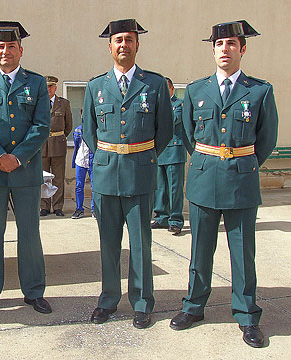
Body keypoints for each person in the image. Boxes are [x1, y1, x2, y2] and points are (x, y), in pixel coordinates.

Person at [169, 21, 278, 348]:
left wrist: (244, 163)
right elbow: (187, 134)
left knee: (243, 253)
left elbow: (267, 138)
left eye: (231, 44)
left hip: (242, 182)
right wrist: (207, 159)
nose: (225, 49)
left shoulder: (259, 90)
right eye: (219, 44)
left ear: (242, 49)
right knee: (200, 249)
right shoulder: (197, 90)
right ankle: (194, 306)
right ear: (213, 49)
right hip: (204, 179)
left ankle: (247, 316)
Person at [83, 19, 173, 328]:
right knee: (108, 244)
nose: (124, 44)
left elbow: (164, 132)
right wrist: (110, 157)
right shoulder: (95, 86)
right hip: (107, 176)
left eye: (129, 40)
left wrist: (141, 157)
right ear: (110, 46)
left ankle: (142, 303)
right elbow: (90, 133)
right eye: (118, 40)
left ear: (137, 45)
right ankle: (108, 301)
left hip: (139, 175)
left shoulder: (155, 84)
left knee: (140, 243)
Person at [0, 21, 52, 315]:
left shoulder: (37, 83)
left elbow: (42, 126)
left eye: (11, 46)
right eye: (1, 47)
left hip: (25, 171)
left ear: (21, 50)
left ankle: (33, 291)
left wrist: (16, 157)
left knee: (29, 232)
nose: (6, 52)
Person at [151, 77, 186, 235]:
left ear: (172, 89)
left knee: (174, 188)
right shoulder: (157, 106)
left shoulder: (179, 104)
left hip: (174, 152)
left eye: (166, 89)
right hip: (160, 152)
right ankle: (161, 217)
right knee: (160, 188)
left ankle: (176, 220)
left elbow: (173, 121)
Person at [40, 75, 73, 217]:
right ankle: (44, 207)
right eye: (46, 86)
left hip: (58, 145)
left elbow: (68, 126)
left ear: (55, 87)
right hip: (42, 145)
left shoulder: (63, 104)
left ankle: (58, 206)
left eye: (51, 86)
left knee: (58, 177)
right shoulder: (38, 103)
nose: (48, 89)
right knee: (43, 178)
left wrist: (60, 136)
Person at [71, 123, 94, 219]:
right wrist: (74, 162)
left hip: (93, 161)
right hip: (81, 160)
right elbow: (76, 147)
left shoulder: (96, 129)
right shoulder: (78, 130)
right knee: (79, 185)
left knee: (95, 186)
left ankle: (94, 209)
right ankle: (79, 209)